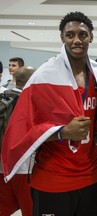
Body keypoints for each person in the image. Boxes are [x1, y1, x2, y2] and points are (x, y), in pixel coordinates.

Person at [1, 11, 97, 216]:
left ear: (91, 37)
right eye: (70, 35)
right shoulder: (44, 76)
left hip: (91, 178)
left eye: (82, 34)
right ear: (62, 38)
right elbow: (23, 130)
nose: (76, 40)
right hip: (52, 180)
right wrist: (62, 133)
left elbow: (96, 128)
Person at [0, 65, 36, 216]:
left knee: (3, 210)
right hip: (25, 166)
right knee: (31, 210)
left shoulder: (3, 97)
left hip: (2, 167)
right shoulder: (30, 102)